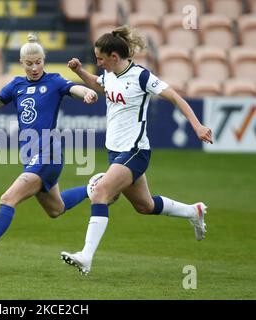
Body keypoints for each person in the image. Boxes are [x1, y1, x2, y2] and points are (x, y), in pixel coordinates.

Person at [60, 25, 213, 275]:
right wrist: (80, 72)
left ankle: (86, 257)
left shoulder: (141, 76)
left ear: (114, 57)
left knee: (100, 193)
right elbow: (101, 85)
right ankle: (193, 211)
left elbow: (176, 98)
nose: (97, 62)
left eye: (100, 58)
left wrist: (197, 126)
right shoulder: (109, 74)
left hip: (134, 151)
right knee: (145, 206)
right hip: (115, 152)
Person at [0, 33, 98, 265]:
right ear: (22, 64)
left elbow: (74, 89)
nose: (34, 67)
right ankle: (94, 188)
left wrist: (87, 93)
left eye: (38, 62)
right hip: (32, 156)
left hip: (48, 154)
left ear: (44, 60)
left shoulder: (54, 81)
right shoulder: (16, 85)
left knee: (8, 198)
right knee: (56, 209)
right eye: (29, 64)